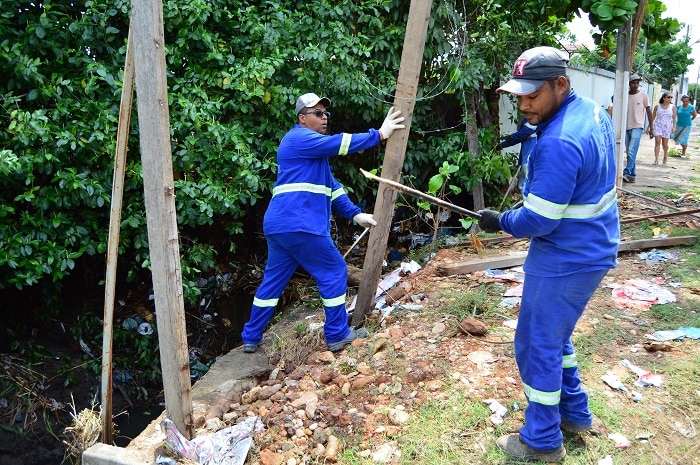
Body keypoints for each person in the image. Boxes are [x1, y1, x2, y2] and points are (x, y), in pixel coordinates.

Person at [479, 46, 620, 462]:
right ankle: (574, 413)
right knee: (554, 337)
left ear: (560, 84)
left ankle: (542, 440)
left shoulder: (559, 141)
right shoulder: (591, 111)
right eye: (519, 97)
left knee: (536, 343)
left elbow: (538, 220)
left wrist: (501, 221)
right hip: (592, 243)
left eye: (532, 96)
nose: (524, 105)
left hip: (566, 256)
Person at [241, 93, 405, 353]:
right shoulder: (299, 138)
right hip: (301, 224)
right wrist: (380, 134)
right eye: (317, 113)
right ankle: (337, 334)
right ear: (302, 118)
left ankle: (251, 337)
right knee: (334, 272)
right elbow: (339, 143)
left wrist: (355, 214)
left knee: (273, 282)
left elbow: (333, 188)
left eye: (326, 113)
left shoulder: (313, 155)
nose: (324, 117)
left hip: (279, 226)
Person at [623, 74, 653, 183]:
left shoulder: (643, 95)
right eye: (633, 83)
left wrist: (651, 127)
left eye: (637, 83)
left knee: (631, 151)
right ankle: (632, 176)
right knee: (630, 152)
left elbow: (649, 112)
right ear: (629, 84)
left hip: (637, 126)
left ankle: (626, 172)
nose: (635, 85)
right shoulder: (624, 95)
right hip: (626, 126)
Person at [497, 117, 537, 190]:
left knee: (526, 169)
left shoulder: (536, 117)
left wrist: (511, 137)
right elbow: (520, 137)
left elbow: (524, 132)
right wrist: (502, 145)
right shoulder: (527, 119)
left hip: (532, 147)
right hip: (527, 147)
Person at [650, 92, 677, 165]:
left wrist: (674, 127)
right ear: (664, 98)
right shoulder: (657, 107)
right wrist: (649, 127)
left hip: (667, 127)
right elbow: (653, 117)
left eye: (671, 97)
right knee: (657, 142)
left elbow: (674, 118)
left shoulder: (672, 107)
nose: (670, 98)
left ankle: (665, 154)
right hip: (658, 125)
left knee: (665, 144)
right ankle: (656, 159)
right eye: (668, 97)